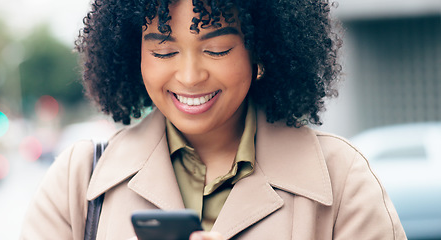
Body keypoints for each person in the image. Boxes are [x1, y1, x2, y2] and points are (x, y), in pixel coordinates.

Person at [21, 0, 407, 239]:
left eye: (217, 49)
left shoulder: (342, 182)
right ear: (132, 54)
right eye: (164, 51)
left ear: (261, 52)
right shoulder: (79, 182)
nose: (190, 77)